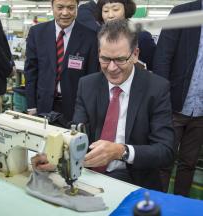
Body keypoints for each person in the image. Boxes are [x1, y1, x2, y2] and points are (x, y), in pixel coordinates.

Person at [32, 20, 174, 191]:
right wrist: (58, 159)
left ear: (135, 54)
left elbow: (165, 151)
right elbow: (78, 133)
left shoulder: (156, 88)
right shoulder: (87, 85)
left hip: (134, 179)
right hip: (89, 174)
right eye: (105, 59)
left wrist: (121, 151)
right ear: (99, 53)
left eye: (120, 59)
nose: (112, 68)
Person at [153, 0, 203, 197]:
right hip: (173, 105)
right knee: (164, 161)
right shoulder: (182, 13)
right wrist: (161, 100)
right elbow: (163, 57)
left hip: (200, 113)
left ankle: (181, 205)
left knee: (189, 163)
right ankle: (157, 202)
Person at [24, 0, 99, 126]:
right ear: (52, 6)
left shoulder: (90, 36)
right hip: (43, 106)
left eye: (71, 8)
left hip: (75, 108)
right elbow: (31, 72)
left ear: (77, 7)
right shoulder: (37, 33)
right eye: (60, 7)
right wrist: (31, 106)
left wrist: (87, 110)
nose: (65, 13)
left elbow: (92, 76)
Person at [95, 0, 156, 70]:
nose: (110, 15)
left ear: (126, 9)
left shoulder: (142, 36)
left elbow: (153, 66)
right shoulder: (98, 35)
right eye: (106, 11)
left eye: (115, 9)